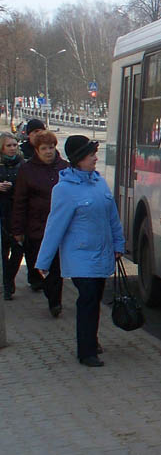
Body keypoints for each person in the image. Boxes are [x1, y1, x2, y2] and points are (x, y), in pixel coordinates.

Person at [36, 136, 125, 368]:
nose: (96, 158)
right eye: (90, 155)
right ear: (78, 160)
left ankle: (91, 340)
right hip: (80, 256)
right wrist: (43, 261)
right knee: (86, 299)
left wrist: (118, 244)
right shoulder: (64, 190)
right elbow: (54, 227)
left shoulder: (99, 182)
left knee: (95, 299)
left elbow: (112, 217)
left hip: (102, 254)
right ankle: (85, 352)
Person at [11, 129, 70, 317]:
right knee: (44, 266)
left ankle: (55, 302)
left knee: (58, 267)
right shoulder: (27, 170)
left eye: (51, 147)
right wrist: (18, 229)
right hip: (37, 227)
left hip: (62, 227)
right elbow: (19, 201)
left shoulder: (65, 168)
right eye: (44, 148)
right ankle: (50, 293)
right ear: (36, 150)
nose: (48, 151)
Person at [1, 132, 26, 299]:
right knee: (3, 251)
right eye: (8, 145)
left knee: (18, 249)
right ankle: (7, 285)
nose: (12, 148)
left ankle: (8, 279)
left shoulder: (23, 164)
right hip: (2, 212)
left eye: (14, 145)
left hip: (18, 213)